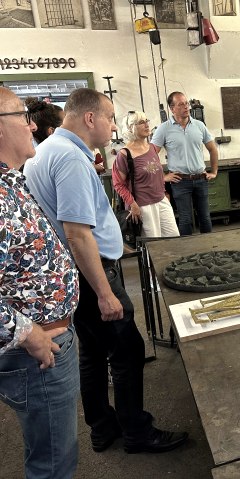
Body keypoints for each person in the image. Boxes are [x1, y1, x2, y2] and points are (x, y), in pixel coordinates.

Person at [24, 88, 188, 454]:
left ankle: (102, 426)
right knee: (127, 350)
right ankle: (136, 432)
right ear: (89, 118)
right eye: (111, 118)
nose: (114, 126)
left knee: (93, 353)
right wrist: (105, 292)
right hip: (92, 272)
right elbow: (77, 234)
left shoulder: (46, 151)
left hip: (72, 274)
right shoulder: (69, 158)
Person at [0, 87, 80, 478]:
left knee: (55, 451)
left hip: (48, 343)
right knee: (52, 464)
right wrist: (28, 334)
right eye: (21, 115)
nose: (32, 124)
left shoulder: (11, 181)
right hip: (37, 353)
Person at [151, 91, 219, 235]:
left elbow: (213, 149)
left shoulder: (199, 126)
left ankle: (210, 251)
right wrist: (162, 176)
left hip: (201, 178)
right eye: (181, 104)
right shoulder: (164, 129)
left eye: (186, 103)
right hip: (180, 181)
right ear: (172, 108)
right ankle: (187, 254)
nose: (186, 107)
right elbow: (150, 155)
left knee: (205, 218)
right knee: (185, 219)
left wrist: (214, 172)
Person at [112, 111, 180, 238]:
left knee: (174, 237)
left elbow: (156, 173)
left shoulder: (152, 148)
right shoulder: (125, 154)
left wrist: (164, 193)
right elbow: (118, 184)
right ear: (131, 128)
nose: (147, 125)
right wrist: (133, 204)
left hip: (161, 201)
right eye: (141, 123)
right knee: (153, 245)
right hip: (143, 206)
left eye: (146, 121)